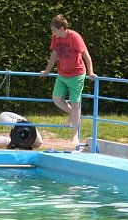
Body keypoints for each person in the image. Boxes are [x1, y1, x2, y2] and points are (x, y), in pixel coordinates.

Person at [39, 14, 96, 147]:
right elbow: (54, 55)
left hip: (77, 74)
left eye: (54, 31)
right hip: (62, 74)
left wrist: (91, 72)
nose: (53, 33)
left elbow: (86, 55)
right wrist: (47, 71)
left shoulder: (75, 37)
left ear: (62, 29)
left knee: (76, 104)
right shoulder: (56, 38)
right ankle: (72, 114)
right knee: (56, 98)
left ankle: (75, 136)